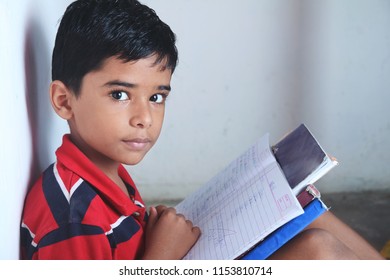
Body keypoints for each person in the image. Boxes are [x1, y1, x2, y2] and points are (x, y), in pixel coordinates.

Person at [20, 0, 384, 260]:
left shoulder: (105, 173)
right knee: (316, 251)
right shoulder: (72, 218)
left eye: (157, 97)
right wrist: (163, 253)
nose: (144, 117)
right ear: (65, 101)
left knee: (307, 214)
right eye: (120, 94)